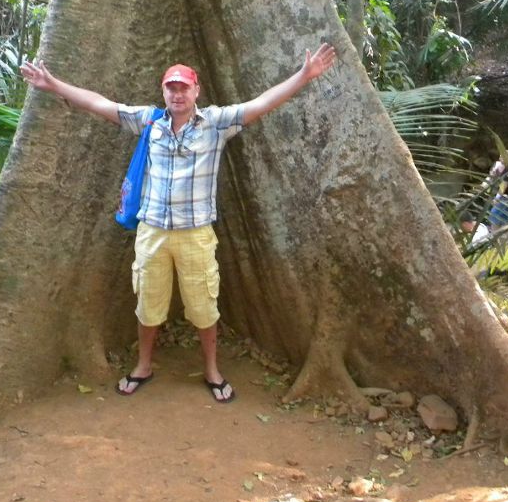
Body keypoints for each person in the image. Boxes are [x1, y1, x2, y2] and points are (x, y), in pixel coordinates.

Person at [21, 44, 337, 404]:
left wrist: (304, 75)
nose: (177, 93)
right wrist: (53, 84)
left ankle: (212, 370)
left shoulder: (216, 124)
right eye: (171, 87)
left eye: (184, 87)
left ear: (196, 91)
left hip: (195, 234)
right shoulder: (149, 121)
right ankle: (143, 365)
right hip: (152, 232)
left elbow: (262, 104)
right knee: (148, 305)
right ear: (164, 91)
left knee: (204, 307)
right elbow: (99, 103)